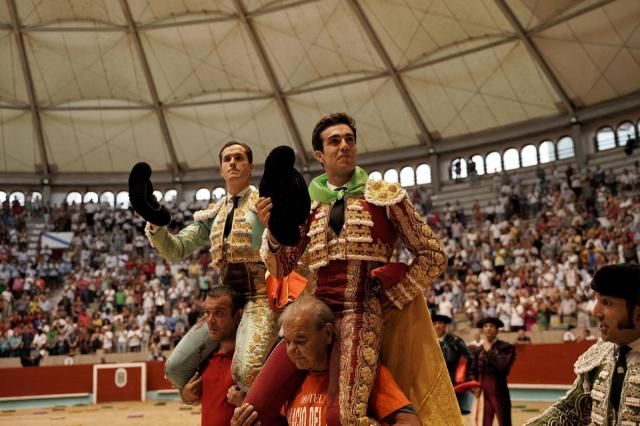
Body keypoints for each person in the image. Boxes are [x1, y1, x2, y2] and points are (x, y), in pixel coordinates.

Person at [254, 112, 459, 425]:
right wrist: (273, 231)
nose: (344, 146)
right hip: (313, 314)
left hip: (360, 313)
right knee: (252, 406)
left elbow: (433, 255)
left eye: (349, 139)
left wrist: (392, 297)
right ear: (320, 155)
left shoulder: (385, 197)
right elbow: (281, 266)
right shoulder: (306, 205)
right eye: (334, 141)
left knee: (346, 417)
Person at [145, 141, 278, 394]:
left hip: (261, 298)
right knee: (175, 368)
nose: (232, 163)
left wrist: (273, 227)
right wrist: (155, 225)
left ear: (251, 167)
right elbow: (177, 249)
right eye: (227, 159)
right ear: (221, 169)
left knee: (248, 371)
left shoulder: (264, 204)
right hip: (226, 304)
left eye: (239, 158)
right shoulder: (215, 213)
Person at [231, 295, 421, 425]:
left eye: (300, 341)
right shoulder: (290, 382)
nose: (291, 350)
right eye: (287, 342)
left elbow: (410, 421)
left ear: (328, 333)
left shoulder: (363, 373)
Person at [526, 264, 640, 425]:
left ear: (638, 314)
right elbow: (568, 410)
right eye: (597, 300)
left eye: (607, 303)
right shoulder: (602, 354)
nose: (595, 312)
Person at [180, 286, 247, 426]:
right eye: (207, 313)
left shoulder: (251, 359)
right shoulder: (203, 357)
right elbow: (194, 396)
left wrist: (246, 403)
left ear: (238, 315)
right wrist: (186, 395)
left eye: (219, 313)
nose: (210, 320)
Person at [470, 317, 516, 426]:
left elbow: (503, 367)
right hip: (483, 393)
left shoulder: (506, 348)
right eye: (485, 326)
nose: (488, 328)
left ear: (497, 330)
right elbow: (473, 370)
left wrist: (489, 351)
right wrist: (473, 386)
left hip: (499, 391)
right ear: (483, 330)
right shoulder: (479, 350)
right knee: (484, 422)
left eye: (491, 326)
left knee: (504, 422)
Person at [433, 314, 474, 415]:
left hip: (452, 382)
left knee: (452, 413)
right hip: (433, 382)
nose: (437, 326)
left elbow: (470, 358)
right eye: (435, 323)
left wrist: (463, 374)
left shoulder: (455, 341)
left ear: (445, 325)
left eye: (440, 323)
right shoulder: (429, 341)